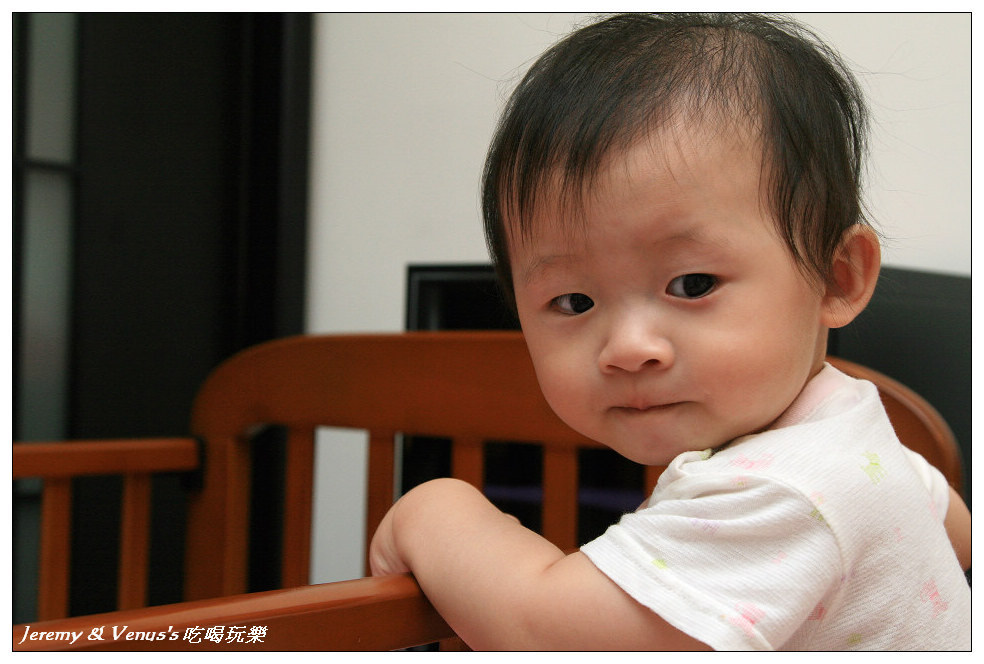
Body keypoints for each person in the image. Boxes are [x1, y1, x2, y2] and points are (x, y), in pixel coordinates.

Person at [369, 13, 971, 650]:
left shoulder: (782, 490)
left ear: (835, 277)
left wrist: (434, 510)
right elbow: (952, 529)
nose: (629, 348)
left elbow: (545, 633)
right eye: (574, 301)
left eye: (692, 284)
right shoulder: (847, 432)